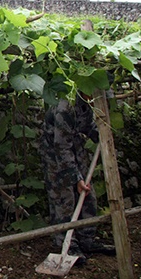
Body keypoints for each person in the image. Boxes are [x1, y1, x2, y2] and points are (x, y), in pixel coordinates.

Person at [40, 93, 116, 265]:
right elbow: (61, 146)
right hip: (55, 155)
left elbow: (87, 125)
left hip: (76, 147)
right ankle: (66, 243)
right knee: (64, 198)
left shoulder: (87, 103)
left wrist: (101, 136)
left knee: (88, 194)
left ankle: (87, 238)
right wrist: (75, 178)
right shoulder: (65, 107)